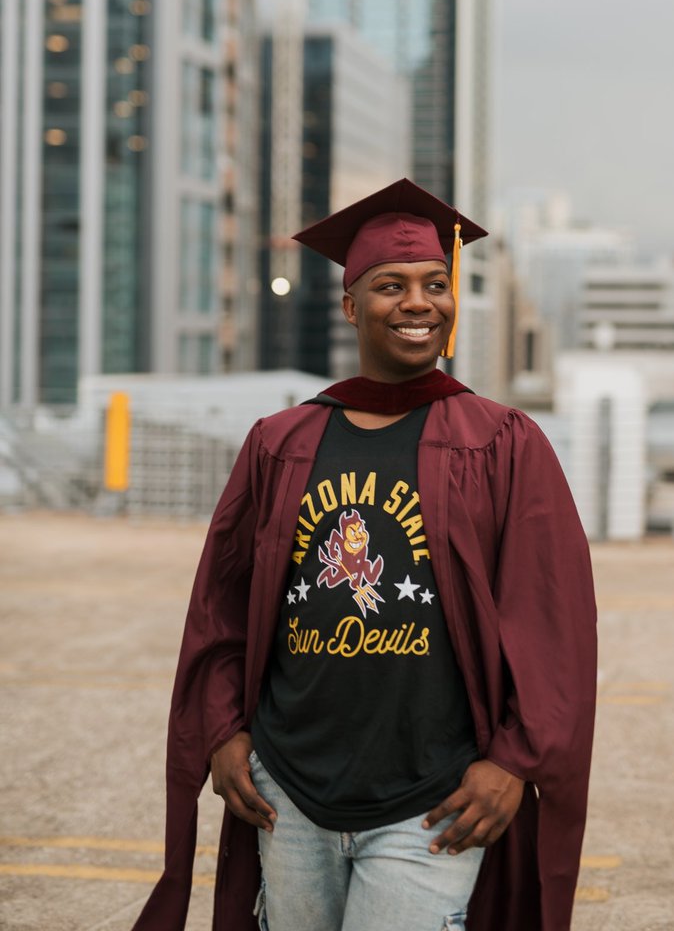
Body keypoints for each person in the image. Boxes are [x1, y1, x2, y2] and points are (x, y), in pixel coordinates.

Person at [133, 178, 596, 931]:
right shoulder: (280, 444)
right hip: (289, 793)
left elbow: (555, 621)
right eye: (391, 285)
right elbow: (221, 604)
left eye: (435, 285)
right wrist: (223, 731)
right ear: (351, 306)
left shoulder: (503, 443)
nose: (419, 303)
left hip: (432, 800)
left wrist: (516, 759)